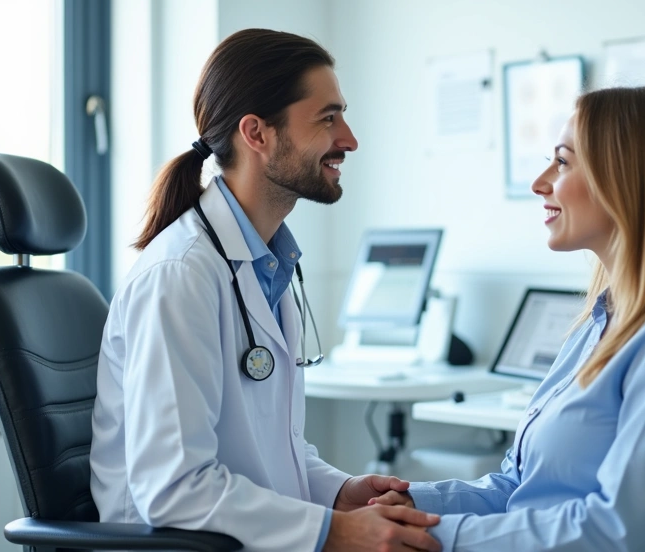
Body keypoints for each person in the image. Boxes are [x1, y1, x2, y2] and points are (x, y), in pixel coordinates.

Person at [89, 29, 440, 552]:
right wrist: (336, 533)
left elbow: (270, 448)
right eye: (328, 117)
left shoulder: (265, 263)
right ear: (257, 133)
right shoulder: (181, 275)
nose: (349, 138)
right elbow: (173, 490)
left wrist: (339, 492)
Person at [371, 87, 645, 551]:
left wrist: (425, 536)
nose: (540, 182)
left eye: (563, 162)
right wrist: (399, 502)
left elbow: (620, 529)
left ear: (627, 178)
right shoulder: (603, 319)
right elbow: (515, 488)